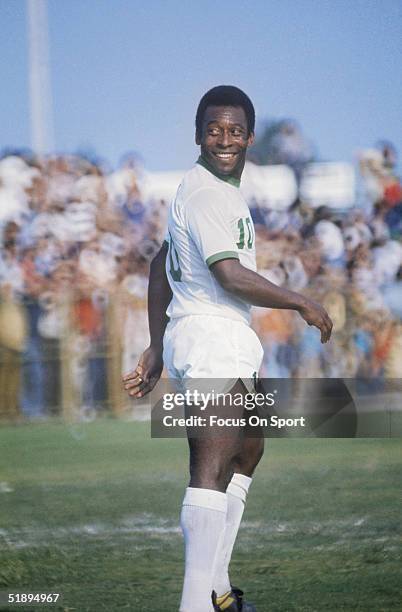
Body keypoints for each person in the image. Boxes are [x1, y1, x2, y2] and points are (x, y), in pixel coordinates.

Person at [123, 86, 333, 612]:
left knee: (249, 449)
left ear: (250, 138)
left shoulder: (203, 188)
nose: (224, 139)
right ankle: (200, 602)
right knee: (212, 467)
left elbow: (158, 266)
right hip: (213, 333)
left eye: (234, 130)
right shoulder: (210, 194)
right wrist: (300, 301)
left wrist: (154, 345)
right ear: (198, 135)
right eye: (214, 130)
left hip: (221, 334)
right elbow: (230, 275)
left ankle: (218, 591)